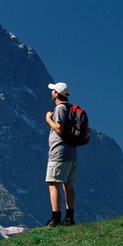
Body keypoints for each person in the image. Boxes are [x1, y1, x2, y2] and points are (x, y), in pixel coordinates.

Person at [44, 82, 77, 227]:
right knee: (68, 185)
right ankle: (69, 218)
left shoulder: (60, 108)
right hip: (71, 152)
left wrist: (48, 119)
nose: (51, 93)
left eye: (53, 91)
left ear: (57, 93)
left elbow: (59, 128)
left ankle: (55, 218)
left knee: (53, 184)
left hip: (59, 152)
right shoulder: (71, 109)